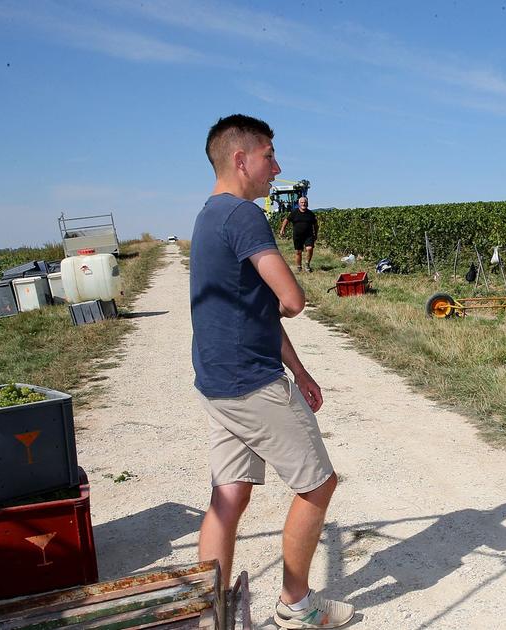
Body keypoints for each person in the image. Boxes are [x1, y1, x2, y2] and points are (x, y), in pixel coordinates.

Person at [191, 114, 353, 629]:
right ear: (241, 160)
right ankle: (295, 605)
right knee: (318, 486)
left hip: (217, 382)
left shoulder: (206, 217)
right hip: (251, 383)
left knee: (229, 496)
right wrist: (290, 301)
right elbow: (290, 298)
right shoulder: (244, 216)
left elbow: (250, 307)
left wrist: (300, 370)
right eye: (269, 155)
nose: (276, 168)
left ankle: (209, 611)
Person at [279, 196, 319, 273]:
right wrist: (282, 229)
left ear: (307, 204)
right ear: (299, 204)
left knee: (310, 248)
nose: (304, 204)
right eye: (302, 202)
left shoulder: (311, 214)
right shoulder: (294, 213)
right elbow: (286, 220)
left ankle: (307, 265)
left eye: (305, 202)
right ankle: (299, 267)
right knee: (298, 252)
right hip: (297, 236)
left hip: (309, 235)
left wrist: (316, 234)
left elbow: (316, 225)